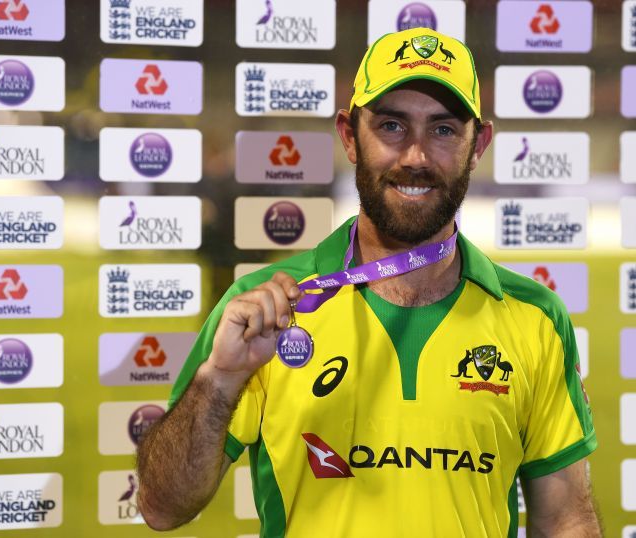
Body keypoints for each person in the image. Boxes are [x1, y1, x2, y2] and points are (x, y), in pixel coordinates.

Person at [137, 27, 600, 537]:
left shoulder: (534, 316)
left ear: (478, 144)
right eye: (392, 127)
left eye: (443, 130)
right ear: (350, 136)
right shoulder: (267, 307)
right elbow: (162, 507)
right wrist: (220, 379)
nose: (416, 157)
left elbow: (565, 522)